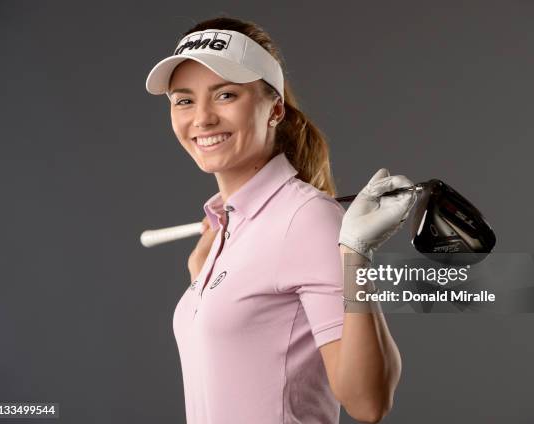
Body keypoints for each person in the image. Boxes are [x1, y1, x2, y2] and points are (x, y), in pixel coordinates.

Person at [145, 16, 417, 424]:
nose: (201, 119)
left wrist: (355, 257)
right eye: (184, 100)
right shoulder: (229, 225)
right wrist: (201, 277)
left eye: (225, 95)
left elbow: (367, 403)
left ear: (274, 109)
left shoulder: (306, 219)